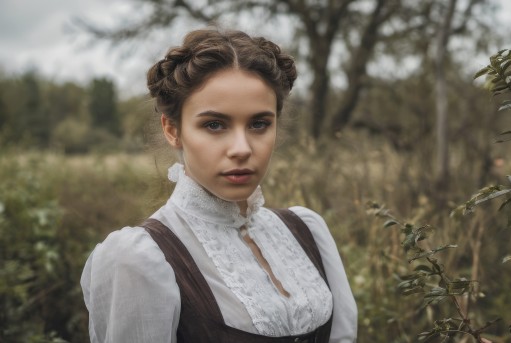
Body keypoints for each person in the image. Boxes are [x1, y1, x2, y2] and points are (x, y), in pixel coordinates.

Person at [80, 28, 357, 343]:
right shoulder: (140, 259)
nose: (241, 148)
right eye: (214, 125)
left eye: (259, 124)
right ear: (173, 130)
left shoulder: (307, 231)